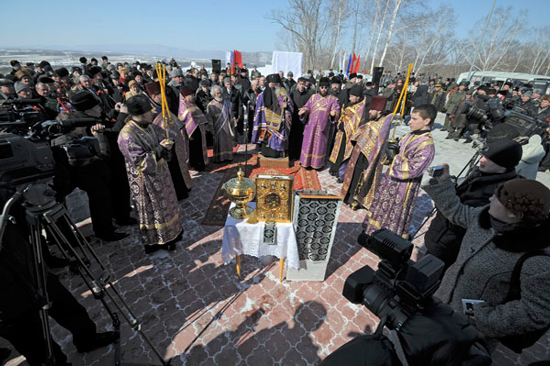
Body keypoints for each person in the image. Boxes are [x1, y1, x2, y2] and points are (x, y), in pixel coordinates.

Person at [424, 171, 550, 352]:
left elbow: (536, 311)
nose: (491, 198)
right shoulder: (484, 218)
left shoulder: (536, 260)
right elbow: (457, 212)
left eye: (498, 198)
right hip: (439, 306)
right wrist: (442, 182)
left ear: (515, 214)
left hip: (468, 334)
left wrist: (482, 317)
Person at [0, 190, 119, 366]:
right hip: (5, 290)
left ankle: (87, 338)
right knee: (28, 332)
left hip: (22, 258)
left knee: (63, 302)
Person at [425, 138, 522, 268]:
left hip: (450, 248)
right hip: (440, 237)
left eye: (490, 159)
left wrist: (443, 185)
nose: (481, 160)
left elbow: (461, 217)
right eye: (483, 155)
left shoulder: (499, 193)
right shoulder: (483, 174)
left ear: (504, 164)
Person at [118, 94, 184, 254]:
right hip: (146, 182)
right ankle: (158, 241)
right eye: (149, 111)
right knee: (154, 210)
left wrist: (169, 134)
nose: (152, 113)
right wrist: (161, 149)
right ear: (140, 114)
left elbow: (163, 137)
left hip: (162, 175)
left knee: (168, 206)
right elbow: (140, 162)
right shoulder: (126, 135)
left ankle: (172, 235)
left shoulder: (150, 126)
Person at [363, 104, 436, 237]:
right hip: (390, 179)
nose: (409, 122)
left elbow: (415, 169)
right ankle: (373, 230)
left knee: (393, 212)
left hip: (403, 187)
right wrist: (390, 150)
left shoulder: (427, 145)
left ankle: (385, 237)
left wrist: (395, 157)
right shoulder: (409, 135)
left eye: (414, 119)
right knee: (381, 205)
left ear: (426, 121)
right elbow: (394, 154)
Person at [145, 82, 193, 199]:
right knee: (172, 170)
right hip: (163, 145)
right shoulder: (150, 110)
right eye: (161, 95)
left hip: (174, 141)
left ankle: (184, 187)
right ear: (154, 96)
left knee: (178, 166)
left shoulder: (162, 106)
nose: (164, 97)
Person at [340, 111, 392, 209]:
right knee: (353, 173)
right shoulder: (371, 122)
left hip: (367, 157)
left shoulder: (383, 126)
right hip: (358, 152)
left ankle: (356, 198)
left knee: (361, 177)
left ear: (379, 112)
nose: (369, 111)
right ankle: (348, 195)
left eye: (372, 110)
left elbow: (378, 143)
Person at [297, 77, 340, 169]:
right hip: (311, 126)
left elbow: (336, 110)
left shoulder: (333, 99)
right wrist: (304, 110)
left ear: (328, 88)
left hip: (323, 128)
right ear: (319, 87)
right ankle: (306, 162)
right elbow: (307, 106)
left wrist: (334, 113)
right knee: (308, 144)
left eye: (326, 87)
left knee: (320, 146)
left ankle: (317, 164)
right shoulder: (313, 97)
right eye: (322, 87)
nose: (324, 89)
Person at [329, 84, 366, 182]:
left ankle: (341, 173)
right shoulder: (352, 104)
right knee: (338, 150)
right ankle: (335, 169)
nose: (349, 98)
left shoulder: (360, 108)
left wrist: (344, 125)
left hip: (349, 135)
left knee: (344, 153)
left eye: (352, 96)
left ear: (357, 97)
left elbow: (355, 123)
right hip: (342, 133)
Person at [251, 74, 294, 158]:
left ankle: (278, 152)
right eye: (271, 83)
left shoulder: (283, 93)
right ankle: (266, 152)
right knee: (266, 139)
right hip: (266, 123)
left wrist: (287, 106)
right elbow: (259, 111)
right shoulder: (262, 95)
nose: (273, 85)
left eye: (275, 83)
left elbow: (291, 106)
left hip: (280, 122)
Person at [177, 86, 210, 171]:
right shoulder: (183, 107)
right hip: (191, 133)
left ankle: (201, 163)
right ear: (186, 96)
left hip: (198, 129)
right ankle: (196, 165)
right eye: (191, 95)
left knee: (199, 147)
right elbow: (183, 118)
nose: (193, 96)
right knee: (194, 149)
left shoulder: (193, 104)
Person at [206, 85, 235, 162]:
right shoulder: (210, 105)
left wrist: (232, 125)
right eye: (218, 93)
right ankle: (220, 158)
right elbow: (209, 119)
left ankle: (228, 156)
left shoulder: (227, 103)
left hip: (227, 127)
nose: (219, 95)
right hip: (217, 128)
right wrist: (212, 130)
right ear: (214, 94)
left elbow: (231, 115)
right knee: (219, 143)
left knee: (227, 142)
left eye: (220, 93)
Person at [289, 77, 315, 160]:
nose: (301, 86)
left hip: (303, 119)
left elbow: (311, 105)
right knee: (292, 136)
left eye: (303, 84)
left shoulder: (309, 94)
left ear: (305, 84)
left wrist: (305, 109)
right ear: (297, 84)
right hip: (294, 118)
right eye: (300, 84)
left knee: (301, 137)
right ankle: (291, 154)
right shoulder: (293, 93)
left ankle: (299, 155)